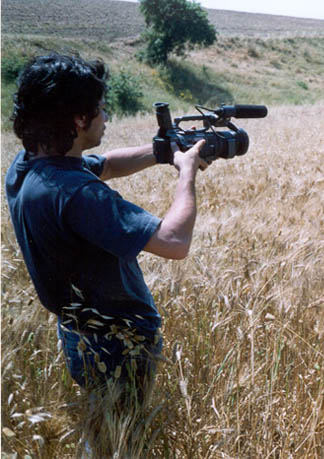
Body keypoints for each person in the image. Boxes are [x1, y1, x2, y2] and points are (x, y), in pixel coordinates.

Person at [5, 53, 208, 452]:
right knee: (120, 445)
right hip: (119, 343)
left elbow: (106, 165)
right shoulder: (78, 194)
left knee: (100, 435)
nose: (106, 118)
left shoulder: (30, 167)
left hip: (80, 332)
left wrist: (164, 151)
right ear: (79, 120)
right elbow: (173, 242)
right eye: (99, 110)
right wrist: (186, 172)